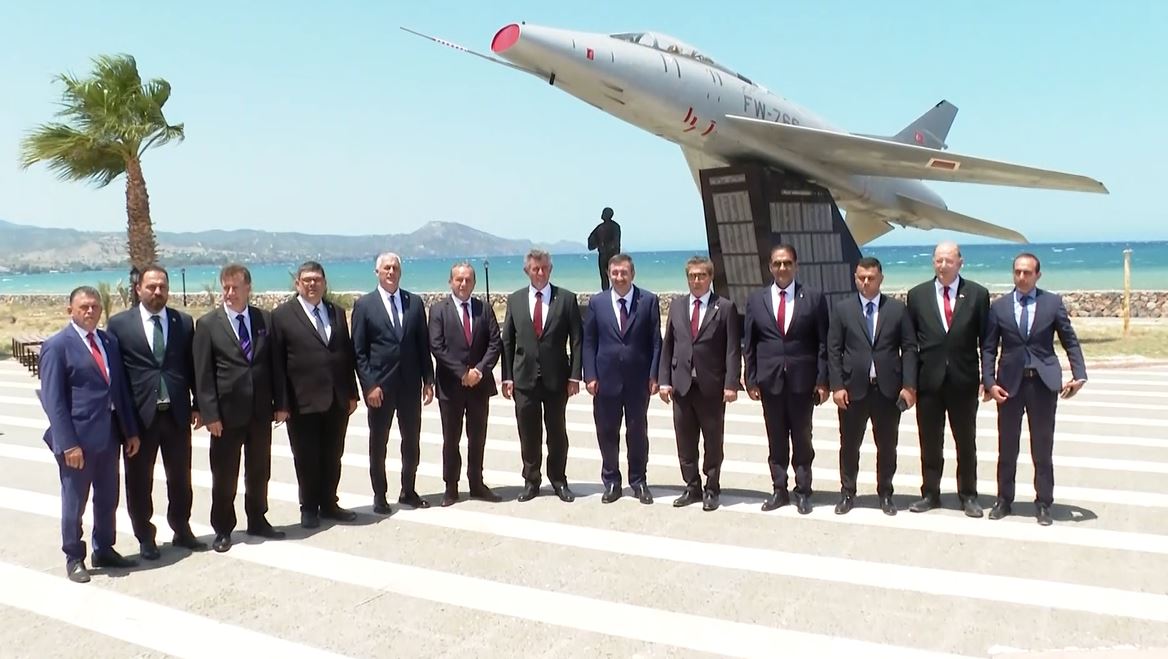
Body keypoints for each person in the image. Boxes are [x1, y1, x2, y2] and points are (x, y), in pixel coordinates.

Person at [38, 286, 142, 582]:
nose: (90, 311)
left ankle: (104, 548)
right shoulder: (57, 346)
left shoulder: (108, 341)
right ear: (70, 310)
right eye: (83, 306)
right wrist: (68, 443)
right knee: (75, 503)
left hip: (109, 436)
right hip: (77, 442)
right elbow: (54, 401)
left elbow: (119, 390)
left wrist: (130, 431)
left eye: (95, 306)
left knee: (108, 498)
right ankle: (74, 557)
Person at [106, 265, 206, 557]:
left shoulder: (183, 322)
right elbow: (117, 376)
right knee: (139, 480)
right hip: (140, 418)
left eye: (162, 286)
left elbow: (192, 366)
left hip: (176, 415)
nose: (157, 291)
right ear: (138, 289)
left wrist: (197, 404)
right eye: (151, 286)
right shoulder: (119, 325)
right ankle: (145, 536)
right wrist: (124, 421)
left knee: (181, 477)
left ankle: (181, 528)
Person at [982, 253, 1087, 526]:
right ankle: (1004, 499)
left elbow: (1070, 340)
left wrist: (1079, 375)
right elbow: (989, 348)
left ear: (1038, 275)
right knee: (1007, 446)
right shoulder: (1000, 307)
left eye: (1027, 272)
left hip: (1043, 384)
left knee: (1042, 447)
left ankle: (1043, 503)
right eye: (1017, 272)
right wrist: (989, 382)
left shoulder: (1052, 303)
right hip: (1009, 386)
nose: (1021, 277)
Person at [192, 264, 286, 553]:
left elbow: (276, 365)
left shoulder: (265, 320)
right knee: (224, 475)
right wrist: (210, 414)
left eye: (235, 287)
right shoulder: (208, 324)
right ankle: (223, 528)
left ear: (248, 288)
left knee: (259, 471)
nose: (230, 293)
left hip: (260, 412)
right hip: (225, 416)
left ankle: (258, 519)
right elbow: (203, 375)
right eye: (226, 288)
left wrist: (281, 404)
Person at [271, 261, 360, 529]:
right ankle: (309, 507)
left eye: (317, 280)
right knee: (306, 457)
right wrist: (281, 403)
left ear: (324, 283)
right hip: (302, 401)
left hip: (336, 398)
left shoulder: (336, 312)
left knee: (333, 455)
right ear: (298, 283)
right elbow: (277, 363)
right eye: (307, 280)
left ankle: (329, 503)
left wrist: (352, 393)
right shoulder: (282, 316)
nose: (312, 284)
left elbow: (346, 355)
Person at [905, 241, 990, 517]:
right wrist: (909, 383)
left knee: (966, 442)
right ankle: (930, 493)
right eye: (939, 260)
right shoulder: (917, 295)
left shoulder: (977, 294)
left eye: (949, 261)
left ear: (960, 263)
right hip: (928, 382)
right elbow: (910, 345)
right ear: (933, 262)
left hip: (964, 382)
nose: (943, 266)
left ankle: (968, 495)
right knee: (930, 442)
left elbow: (987, 342)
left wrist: (988, 378)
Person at [742, 244, 829, 515]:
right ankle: (779, 489)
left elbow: (823, 343)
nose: (782, 268)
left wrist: (822, 380)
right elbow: (750, 343)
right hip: (770, 382)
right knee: (776, 438)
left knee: (802, 438)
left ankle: (803, 491)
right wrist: (750, 379)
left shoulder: (813, 298)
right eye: (777, 263)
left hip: (803, 382)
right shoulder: (756, 300)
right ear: (770, 267)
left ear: (796, 266)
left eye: (787, 263)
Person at [827, 257, 918, 516]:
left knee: (887, 446)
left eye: (871, 278)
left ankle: (885, 493)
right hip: (852, 391)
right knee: (849, 445)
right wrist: (837, 386)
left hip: (887, 390)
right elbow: (833, 350)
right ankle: (847, 492)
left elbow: (909, 348)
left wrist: (909, 385)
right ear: (855, 278)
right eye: (861, 278)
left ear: (881, 279)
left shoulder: (896, 309)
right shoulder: (843, 309)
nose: (866, 282)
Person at [351, 252, 436, 512]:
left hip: (410, 385)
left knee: (411, 441)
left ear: (400, 272)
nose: (391, 272)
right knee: (379, 443)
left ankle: (408, 490)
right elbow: (359, 351)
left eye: (395, 268)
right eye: (386, 268)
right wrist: (369, 386)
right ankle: (380, 494)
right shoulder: (365, 305)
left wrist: (428, 380)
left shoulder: (414, 303)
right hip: (380, 388)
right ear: (377, 272)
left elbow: (423, 344)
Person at [500, 248, 584, 503]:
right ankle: (531, 481)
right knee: (528, 433)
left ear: (551, 269)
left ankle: (558, 480)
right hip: (524, 379)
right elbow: (507, 341)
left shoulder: (566, 299)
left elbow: (577, 340)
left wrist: (575, 376)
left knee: (557, 432)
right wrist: (507, 377)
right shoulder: (515, 300)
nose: (540, 273)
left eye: (544, 268)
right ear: (527, 271)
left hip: (557, 379)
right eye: (535, 268)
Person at [658, 256, 741, 512]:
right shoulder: (677, 306)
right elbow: (668, 345)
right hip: (681, 386)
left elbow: (732, 349)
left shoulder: (724, 307)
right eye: (692, 276)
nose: (697, 280)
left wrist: (731, 383)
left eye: (701, 276)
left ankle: (712, 487)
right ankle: (692, 485)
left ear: (710, 278)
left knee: (713, 441)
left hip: (711, 387)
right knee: (685, 440)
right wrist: (664, 381)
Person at [582, 254, 662, 504]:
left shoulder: (648, 300)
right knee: (607, 431)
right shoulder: (597, 302)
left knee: (637, 432)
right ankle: (611, 481)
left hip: (639, 381)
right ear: (608, 274)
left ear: (632, 274)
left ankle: (638, 481)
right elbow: (589, 341)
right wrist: (590, 375)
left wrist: (654, 374)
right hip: (605, 380)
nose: (619, 277)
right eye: (615, 273)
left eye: (623, 272)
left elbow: (656, 342)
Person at [428, 261, 504, 506]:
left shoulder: (484, 309)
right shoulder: (438, 310)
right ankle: (451, 487)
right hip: (450, 386)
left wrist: (479, 371)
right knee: (451, 439)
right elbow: (437, 346)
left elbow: (495, 343)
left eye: (468, 280)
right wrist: (462, 373)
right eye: (459, 279)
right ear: (450, 282)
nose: (463, 284)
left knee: (477, 438)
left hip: (479, 386)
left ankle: (476, 483)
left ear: (474, 283)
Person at [587, 207, 622, 290]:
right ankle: (606, 292)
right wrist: (598, 245)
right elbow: (591, 240)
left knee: (614, 275)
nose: (602, 215)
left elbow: (616, 242)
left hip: (611, 255)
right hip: (604, 255)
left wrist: (606, 248)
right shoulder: (601, 227)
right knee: (604, 276)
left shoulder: (615, 227)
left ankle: (615, 291)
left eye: (604, 213)